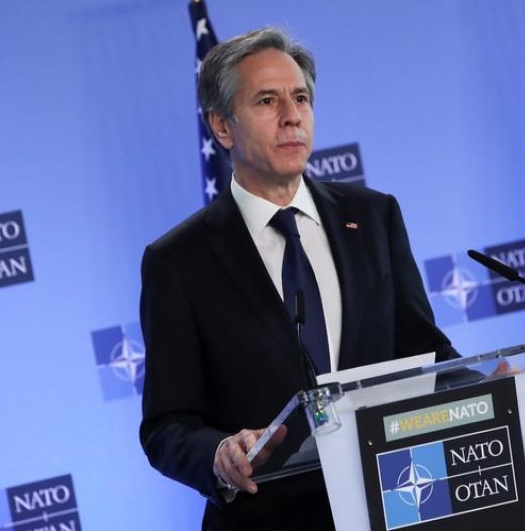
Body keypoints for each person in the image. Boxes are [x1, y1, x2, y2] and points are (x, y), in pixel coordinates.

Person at [139, 27, 458, 530]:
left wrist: (490, 393)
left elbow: (424, 349)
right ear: (222, 127)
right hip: (269, 517)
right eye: (267, 100)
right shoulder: (179, 261)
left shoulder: (374, 217)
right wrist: (220, 451)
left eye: (301, 98)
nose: (292, 116)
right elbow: (166, 425)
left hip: (398, 500)